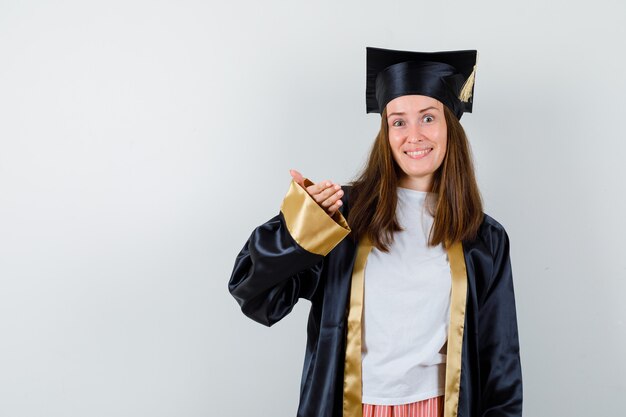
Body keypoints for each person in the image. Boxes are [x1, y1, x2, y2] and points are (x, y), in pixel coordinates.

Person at [228, 46, 522, 417]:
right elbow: (254, 295)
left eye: (428, 118)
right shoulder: (341, 215)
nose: (413, 135)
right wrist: (301, 227)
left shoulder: (484, 238)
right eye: (398, 121)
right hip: (350, 405)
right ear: (385, 132)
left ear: (450, 125)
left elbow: (501, 362)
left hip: (441, 408)